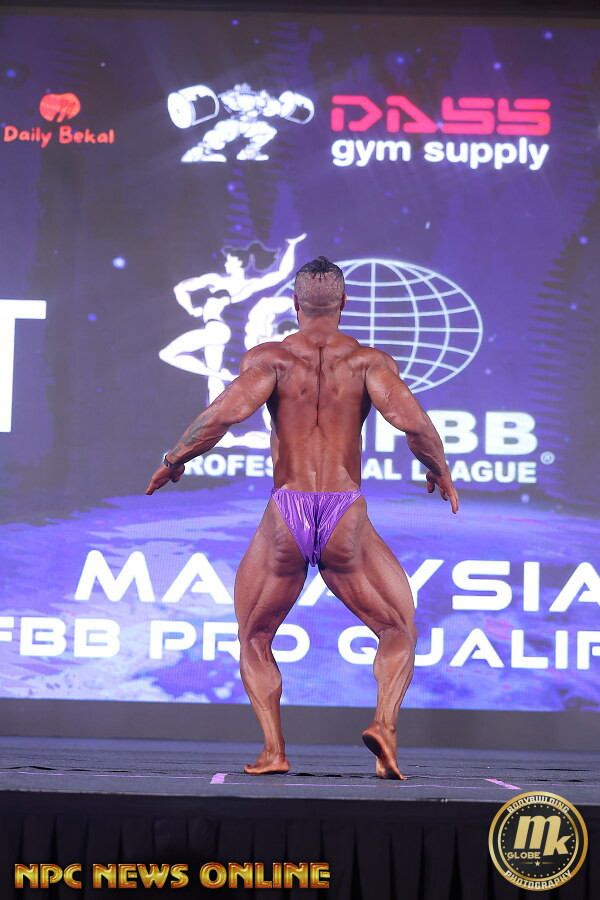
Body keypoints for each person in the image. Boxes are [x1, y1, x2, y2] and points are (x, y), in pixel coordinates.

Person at [146, 256, 459, 780]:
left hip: (287, 510)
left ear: (294, 304)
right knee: (396, 628)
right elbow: (415, 424)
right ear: (344, 303)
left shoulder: (270, 359)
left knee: (255, 635)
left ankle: (274, 750)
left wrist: (174, 459)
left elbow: (222, 415)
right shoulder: (368, 363)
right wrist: (439, 471)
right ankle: (384, 726)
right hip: (342, 510)